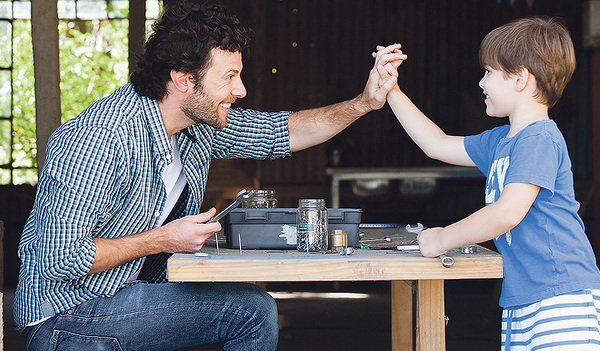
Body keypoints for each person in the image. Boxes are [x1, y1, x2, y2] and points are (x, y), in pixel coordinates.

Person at [14, 2, 399, 350]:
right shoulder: (101, 138)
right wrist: (163, 239)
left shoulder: (198, 123)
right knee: (252, 313)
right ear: (183, 79)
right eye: (229, 77)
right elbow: (61, 259)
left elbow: (282, 133)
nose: (241, 89)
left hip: (129, 291)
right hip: (65, 316)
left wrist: (364, 103)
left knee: (237, 298)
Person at [375, 17, 600, 350]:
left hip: (560, 295)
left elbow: (507, 213)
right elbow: (436, 143)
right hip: (524, 296)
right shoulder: (501, 141)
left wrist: (441, 239)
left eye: (490, 72)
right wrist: (390, 89)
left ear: (521, 78)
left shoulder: (539, 138)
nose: (482, 82)